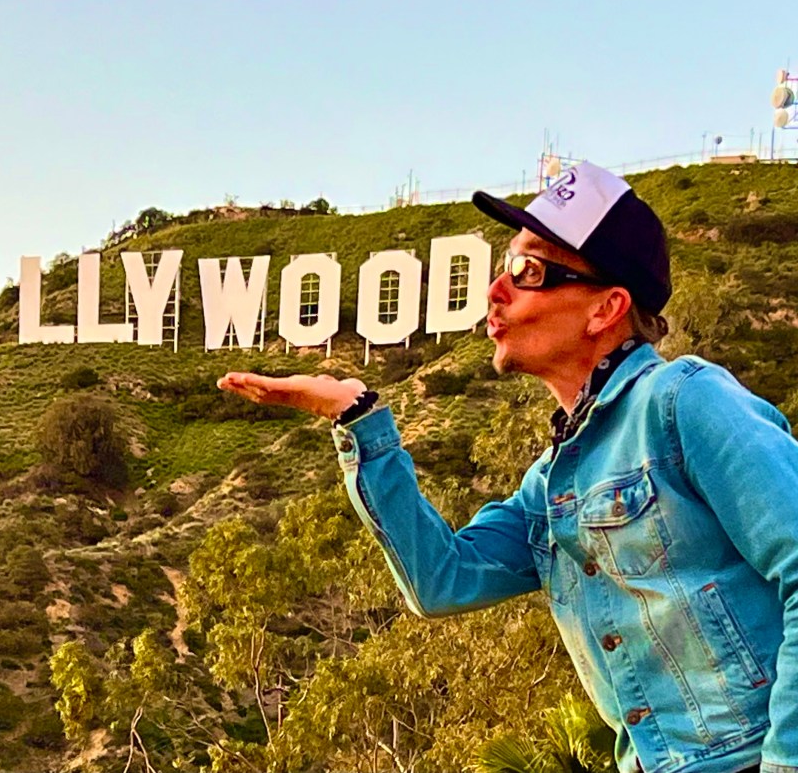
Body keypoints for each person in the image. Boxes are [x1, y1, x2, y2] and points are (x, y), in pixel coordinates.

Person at [217, 161, 798, 773]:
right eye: (505, 266)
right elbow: (441, 580)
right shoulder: (550, 484)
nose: (496, 290)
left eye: (529, 271)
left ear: (606, 308)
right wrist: (357, 417)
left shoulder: (683, 400)